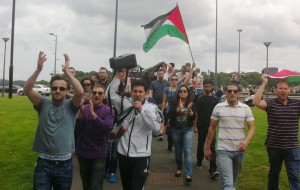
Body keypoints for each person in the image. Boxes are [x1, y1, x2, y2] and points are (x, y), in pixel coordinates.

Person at [23, 51, 84, 189]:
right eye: (54, 88)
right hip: (43, 163)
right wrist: (38, 70)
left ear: (66, 90)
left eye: (62, 88)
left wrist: (67, 72)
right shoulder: (43, 103)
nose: (58, 90)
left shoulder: (71, 106)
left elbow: (80, 92)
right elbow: (27, 89)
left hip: (64, 164)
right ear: (50, 90)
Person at [109, 79, 162, 190]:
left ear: (146, 93)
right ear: (131, 91)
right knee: (127, 187)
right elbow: (110, 95)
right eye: (135, 91)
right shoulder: (125, 103)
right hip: (123, 154)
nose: (137, 94)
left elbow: (156, 129)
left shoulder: (152, 108)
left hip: (141, 156)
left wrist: (142, 111)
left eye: (140, 92)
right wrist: (117, 77)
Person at [253, 74, 300, 190]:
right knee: (274, 173)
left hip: (292, 146)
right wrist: (264, 83)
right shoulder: (270, 104)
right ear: (275, 90)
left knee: (294, 175)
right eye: (280, 88)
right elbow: (256, 101)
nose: (283, 91)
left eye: (285, 88)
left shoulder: (297, 105)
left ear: (289, 90)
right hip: (274, 146)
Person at [205, 83, 255, 190]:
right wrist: (208, 147)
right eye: (229, 91)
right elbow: (212, 128)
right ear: (225, 93)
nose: (232, 93)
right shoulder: (218, 107)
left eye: (235, 91)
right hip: (223, 150)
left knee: (233, 181)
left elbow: (252, 128)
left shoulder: (245, 108)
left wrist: (246, 142)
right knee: (228, 183)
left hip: (240, 150)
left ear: (238, 93)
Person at [75, 84, 114, 190]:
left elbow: (107, 128)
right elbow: (76, 131)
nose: (97, 95)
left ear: (104, 96)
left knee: (96, 186)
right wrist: (79, 116)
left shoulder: (108, 110)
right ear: (91, 94)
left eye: (100, 93)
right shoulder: (84, 108)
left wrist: (93, 115)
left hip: (99, 154)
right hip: (83, 152)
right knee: (86, 184)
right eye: (94, 92)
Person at [168, 84, 196, 183]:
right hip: (176, 129)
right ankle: (179, 168)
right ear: (178, 93)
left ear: (188, 93)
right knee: (178, 150)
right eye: (181, 91)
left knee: (187, 151)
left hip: (187, 129)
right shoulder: (173, 102)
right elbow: (169, 114)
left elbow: (193, 116)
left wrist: (190, 112)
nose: (183, 92)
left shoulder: (191, 103)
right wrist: (177, 110)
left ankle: (188, 174)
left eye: (185, 91)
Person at [194, 79, 219, 179]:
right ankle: (199, 161)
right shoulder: (199, 98)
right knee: (200, 144)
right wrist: (195, 125)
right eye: (205, 86)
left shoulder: (215, 99)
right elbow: (197, 113)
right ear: (203, 87)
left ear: (212, 87)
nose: (207, 88)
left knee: (212, 147)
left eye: (209, 86)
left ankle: (213, 170)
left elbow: (217, 114)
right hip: (201, 125)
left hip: (211, 127)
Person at [149, 69, 170, 140]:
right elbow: (150, 93)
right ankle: (156, 132)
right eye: (159, 74)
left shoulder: (167, 83)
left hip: (164, 104)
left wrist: (167, 102)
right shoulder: (153, 83)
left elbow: (169, 93)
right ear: (157, 74)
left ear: (164, 74)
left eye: (162, 73)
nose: (161, 75)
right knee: (156, 119)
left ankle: (160, 134)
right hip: (155, 104)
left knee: (163, 119)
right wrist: (151, 101)